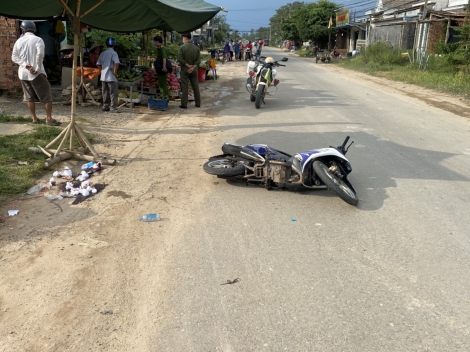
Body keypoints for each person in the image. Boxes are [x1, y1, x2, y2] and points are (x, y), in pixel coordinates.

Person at [11, 20, 61, 125]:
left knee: (29, 97)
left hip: (23, 74)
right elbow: (40, 54)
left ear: (23, 30)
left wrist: (25, 65)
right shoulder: (38, 40)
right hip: (37, 73)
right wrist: (37, 68)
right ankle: (49, 119)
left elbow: (14, 57)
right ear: (34, 30)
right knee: (46, 96)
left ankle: (34, 119)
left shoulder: (18, 41)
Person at [177, 33, 201, 109]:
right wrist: (193, 67)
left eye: (183, 38)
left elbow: (180, 59)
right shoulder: (196, 48)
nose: (182, 39)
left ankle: (184, 104)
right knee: (195, 87)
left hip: (185, 71)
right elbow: (199, 60)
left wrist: (187, 65)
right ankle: (198, 103)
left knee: (184, 87)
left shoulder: (182, 47)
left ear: (185, 38)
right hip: (194, 71)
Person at [97, 37, 120, 113]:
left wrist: (102, 70)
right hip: (111, 77)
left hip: (103, 77)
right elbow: (116, 63)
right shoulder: (114, 53)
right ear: (114, 44)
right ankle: (113, 108)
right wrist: (115, 72)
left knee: (105, 92)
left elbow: (98, 64)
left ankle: (105, 106)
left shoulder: (103, 53)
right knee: (113, 93)